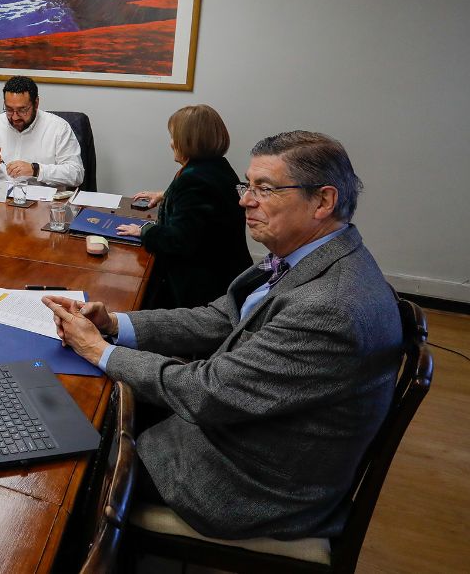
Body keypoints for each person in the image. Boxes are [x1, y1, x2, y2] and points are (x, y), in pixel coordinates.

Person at [43, 131, 402, 541]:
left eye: (264, 190)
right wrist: (116, 325)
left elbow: (208, 392)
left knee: (69, 470)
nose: (244, 201)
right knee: (86, 413)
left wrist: (98, 350)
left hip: (248, 485)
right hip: (245, 433)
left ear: (322, 201)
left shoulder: (330, 308)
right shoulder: (308, 255)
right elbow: (221, 317)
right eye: (247, 186)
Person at [118, 105, 252, 308]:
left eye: (174, 136)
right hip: (227, 270)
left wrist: (144, 231)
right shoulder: (217, 166)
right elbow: (210, 201)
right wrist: (166, 195)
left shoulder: (194, 180)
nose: (171, 143)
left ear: (190, 140)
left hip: (200, 289)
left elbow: (178, 241)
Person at [0, 76, 83, 188]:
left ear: (36, 103)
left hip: (42, 203)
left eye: (22, 110)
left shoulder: (59, 128)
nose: (15, 117)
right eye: (9, 109)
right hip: (0, 200)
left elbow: (76, 174)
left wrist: (36, 170)